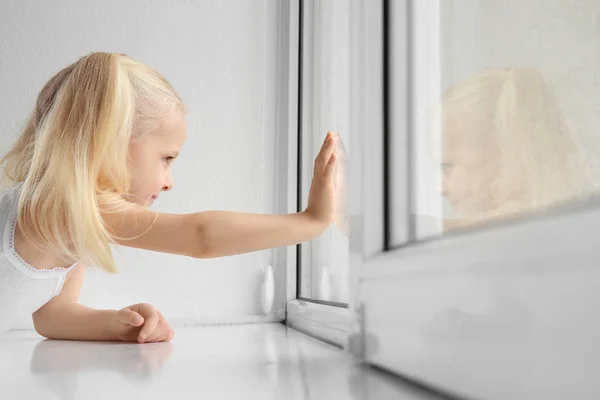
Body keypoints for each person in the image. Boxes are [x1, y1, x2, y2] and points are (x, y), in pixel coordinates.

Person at [0, 52, 338, 342]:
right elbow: (200, 237)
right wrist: (310, 221)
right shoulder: (60, 209)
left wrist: (115, 324)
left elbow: (52, 315)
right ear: (111, 145)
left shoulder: (64, 218)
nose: (168, 182)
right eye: (167, 158)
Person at [440, 67, 592, 231]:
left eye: (448, 167)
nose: (441, 188)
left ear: (499, 153)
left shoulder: (523, 222)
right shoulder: (571, 213)